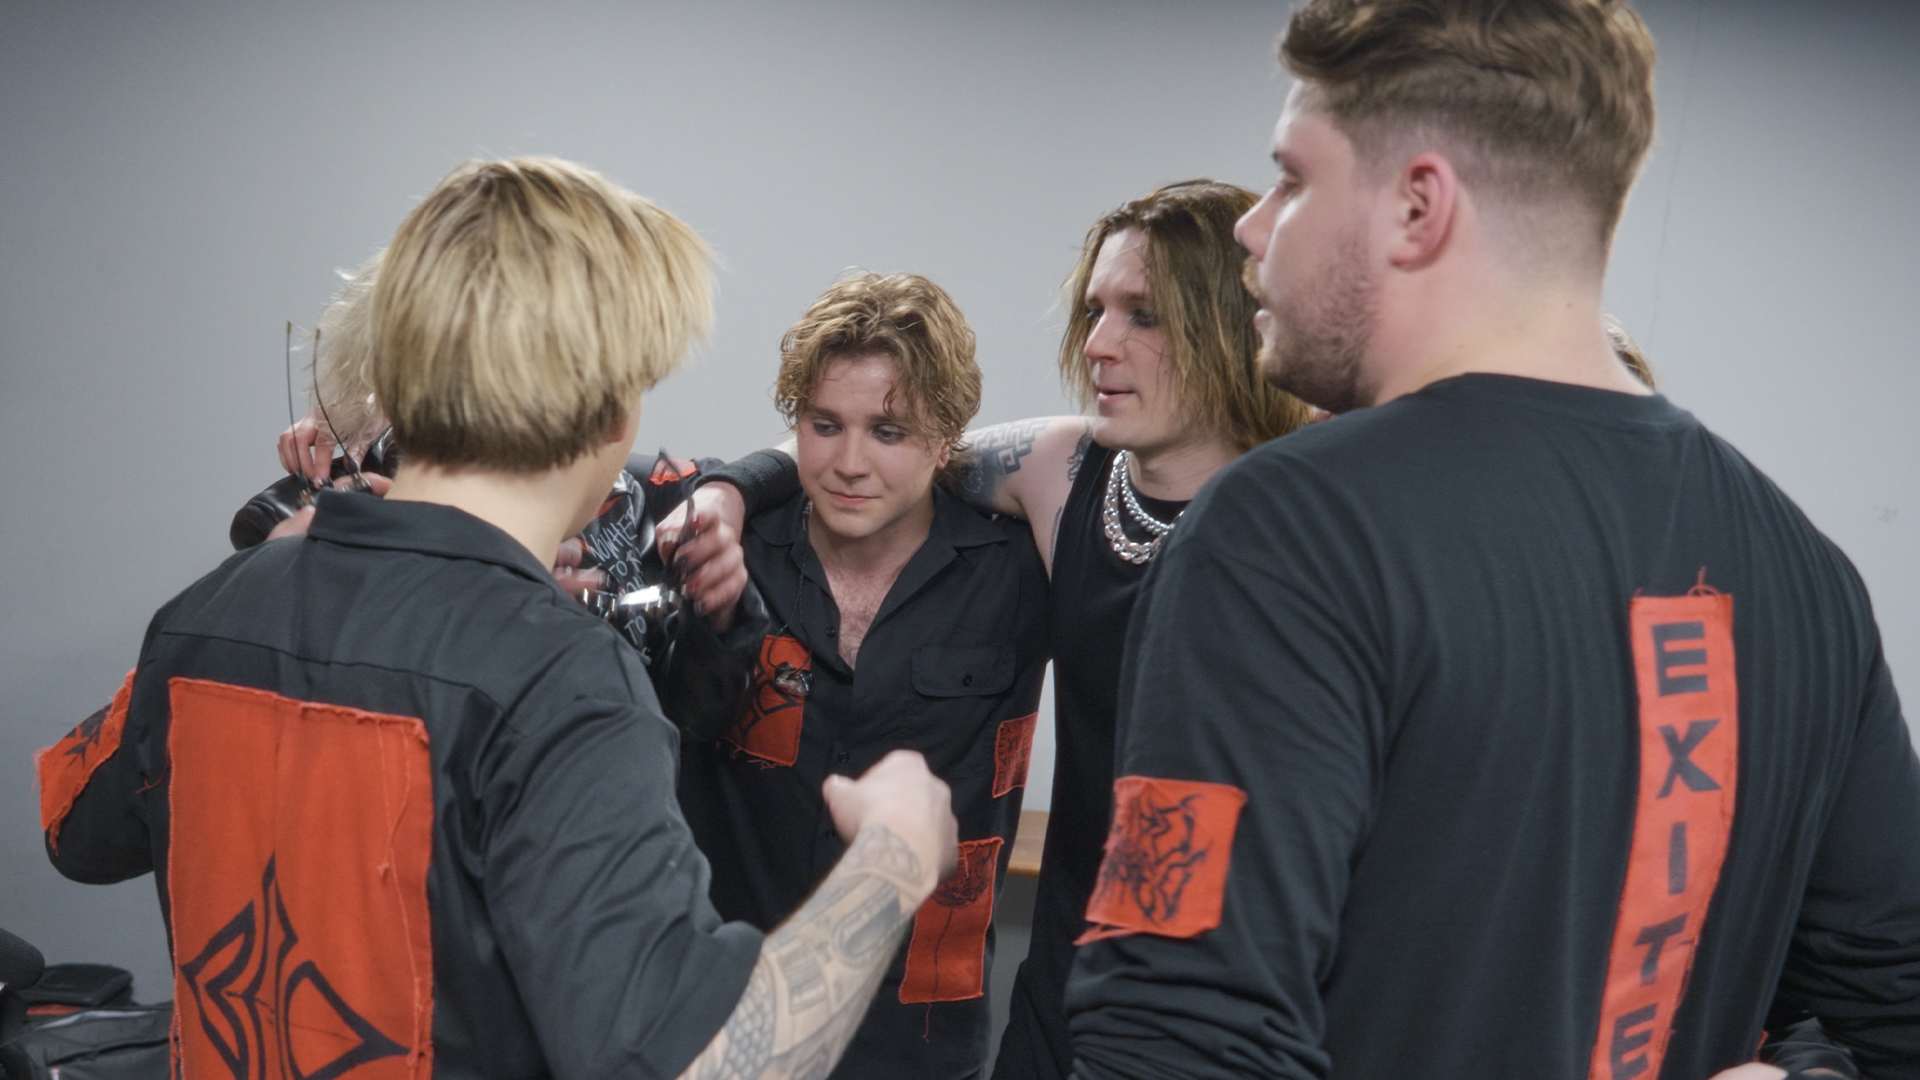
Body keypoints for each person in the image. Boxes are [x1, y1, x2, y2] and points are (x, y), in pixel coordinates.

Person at [1064, 2, 1918, 1078]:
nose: (1253, 226)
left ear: (1417, 208)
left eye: (1292, 179)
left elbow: (1175, 1043)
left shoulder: (1291, 530)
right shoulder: (1806, 573)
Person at [37, 156, 959, 1079]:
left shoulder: (210, 610)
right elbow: (706, 1066)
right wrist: (893, 860)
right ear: (612, 413)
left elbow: (73, 830)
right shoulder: (563, 681)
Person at [669, 181, 1311, 1080]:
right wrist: (728, 490)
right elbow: (887, 449)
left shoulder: (1313, 514)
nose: (1098, 343)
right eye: (1095, 310)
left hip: (1240, 989)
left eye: (1143, 315)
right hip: (1066, 987)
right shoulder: (1063, 471)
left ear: (1231, 323)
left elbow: (907, 437)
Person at [663, 271, 1050, 1079]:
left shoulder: (1018, 571)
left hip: (917, 1034)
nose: (848, 463)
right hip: (726, 1016)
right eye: (824, 424)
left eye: (888, 432)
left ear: (945, 441)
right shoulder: (731, 549)